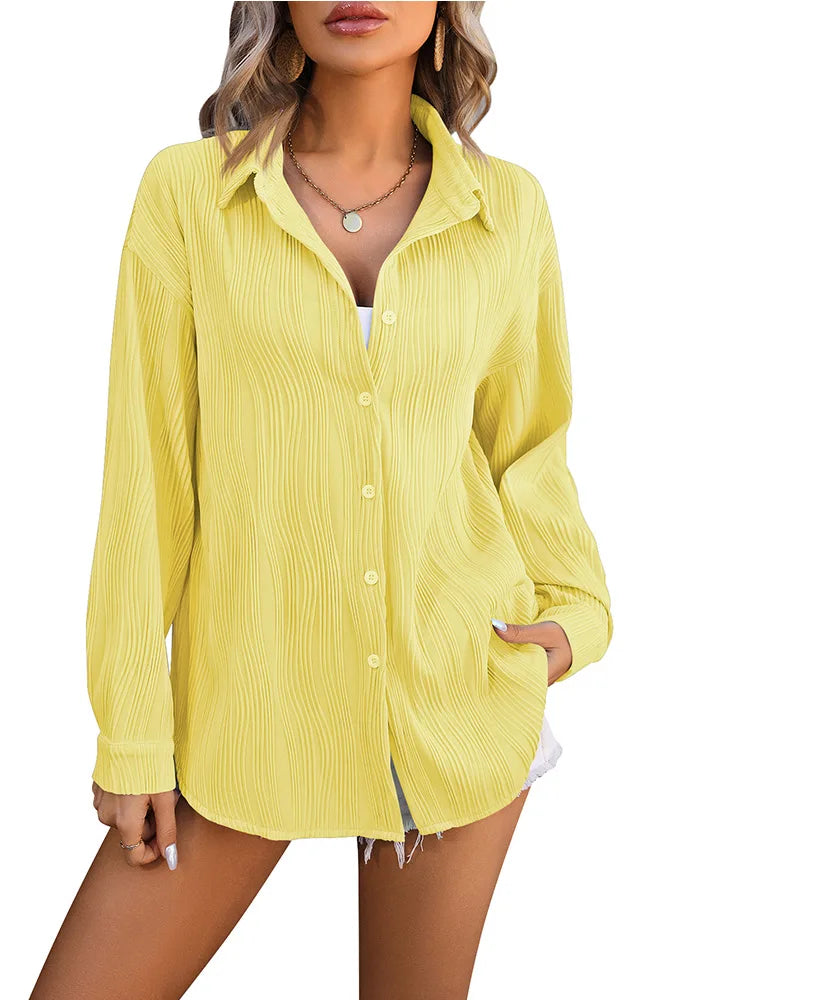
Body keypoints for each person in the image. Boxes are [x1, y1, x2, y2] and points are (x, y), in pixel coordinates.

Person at [32, 3, 612, 997]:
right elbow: (145, 482)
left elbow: (525, 449)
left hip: (453, 701)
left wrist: (572, 617)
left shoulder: (507, 209)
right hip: (244, 714)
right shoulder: (188, 195)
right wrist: (131, 734)